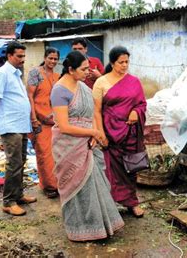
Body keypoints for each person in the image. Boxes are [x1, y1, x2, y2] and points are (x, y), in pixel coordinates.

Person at [51, 51, 124, 241]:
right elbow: (65, 126)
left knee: (94, 185)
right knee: (75, 186)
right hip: (68, 146)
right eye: (83, 69)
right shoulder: (59, 91)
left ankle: (98, 225)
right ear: (70, 70)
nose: (88, 72)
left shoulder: (83, 87)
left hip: (87, 144)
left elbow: (91, 113)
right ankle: (78, 228)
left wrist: (93, 132)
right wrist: (93, 133)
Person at [93, 46, 147, 218]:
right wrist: (100, 133)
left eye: (127, 62)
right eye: (121, 62)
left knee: (131, 170)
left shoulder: (134, 81)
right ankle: (109, 205)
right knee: (110, 170)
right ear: (112, 63)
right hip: (110, 133)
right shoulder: (101, 82)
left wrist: (135, 112)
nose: (124, 65)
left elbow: (142, 104)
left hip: (130, 133)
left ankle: (132, 202)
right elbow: (96, 110)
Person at [0, 41, 36, 216]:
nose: (23, 59)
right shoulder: (1, 74)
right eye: (19, 56)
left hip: (21, 124)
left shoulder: (16, 74)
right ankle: (8, 201)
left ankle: (18, 195)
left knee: (21, 161)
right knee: (13, 163)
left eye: (24, 56)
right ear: (9, 56)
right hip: (10, 125)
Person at [27, 47, 60, 199]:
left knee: (56, 155)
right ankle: (49, 186)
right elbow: (30, 97)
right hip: (39, 121)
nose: (53, 61)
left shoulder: (57, 76)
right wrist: (34, 119)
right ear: (45, 57)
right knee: (44, 155)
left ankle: (57, 183)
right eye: (50, 58)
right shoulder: (35, 73)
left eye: (55, 59)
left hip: (54, 122)